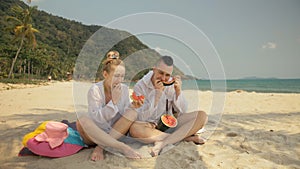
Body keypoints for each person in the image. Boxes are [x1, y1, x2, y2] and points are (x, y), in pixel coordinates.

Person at [129, 55, 208, 156]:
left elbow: (182, 110)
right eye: (161, 73)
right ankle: (186, 137)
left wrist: (178, 91)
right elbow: (141, 116)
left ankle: (164, 142)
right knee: (134, 129)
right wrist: (157, 95)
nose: (163, 78)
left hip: (170, 124)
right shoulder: (140, 86)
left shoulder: (171, 84)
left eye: (167, 75)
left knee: (202, 116)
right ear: (154, 69)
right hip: (149, 126)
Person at [76, 51, 141, 161]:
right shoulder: (95, 90)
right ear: (105, 74)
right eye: (116, 76)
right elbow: (97, 118)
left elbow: (124, 113)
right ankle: (122, 147)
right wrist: (113, 102)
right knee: (82, 120)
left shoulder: (124, 89)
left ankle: (101, 147)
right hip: (95, 134)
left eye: (122, 76)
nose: (119, 80)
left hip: (115, 132)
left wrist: (133, 106)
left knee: (132, 113)